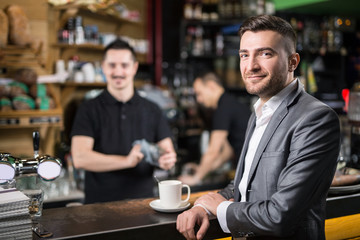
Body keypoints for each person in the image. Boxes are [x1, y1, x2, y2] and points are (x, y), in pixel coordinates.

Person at [176, 15, 340, 240]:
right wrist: (203, 207)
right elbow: (243, 183)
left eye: (265, 53)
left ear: (293, 61)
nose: (251, 66)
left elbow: (280, 216)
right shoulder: (259, 113)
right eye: (244, 55)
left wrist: (221, 208)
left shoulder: (316, 118)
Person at [70, 39, 177, 204]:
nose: (118, 71)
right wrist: (126, 161)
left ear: (134, 68)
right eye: (112, 65)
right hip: (98, 208)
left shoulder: (152, 109)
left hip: (143, 206)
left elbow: (167, 151)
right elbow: (80, 158)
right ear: (103, 67)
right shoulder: (88, 109)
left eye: (124, 65)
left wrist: (166, 160)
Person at [179, 71, 250, 186]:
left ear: (211, 86)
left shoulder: (222, 109)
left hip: (250, 171)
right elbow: (227, 152)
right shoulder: (229, 103)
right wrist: (202, 169)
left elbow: (213, 151)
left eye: (199, 93)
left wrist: (196, 178)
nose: (199, 100)